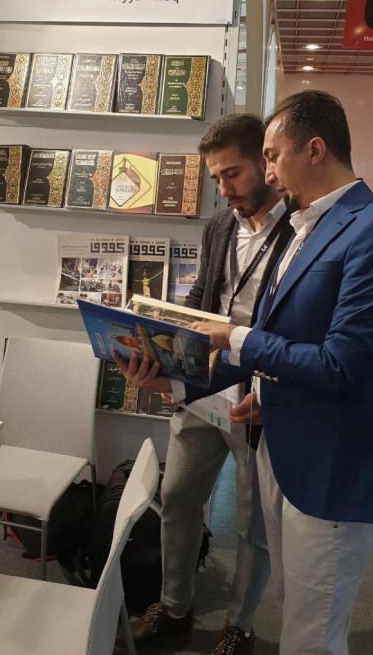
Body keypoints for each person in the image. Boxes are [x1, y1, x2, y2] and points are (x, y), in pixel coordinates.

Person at [125, 90, 373, 655]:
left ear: (313, 150)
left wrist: (238, 342)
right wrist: (170, 372)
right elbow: (225, 308)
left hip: (317, 454)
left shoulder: (343, 227)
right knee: (292, 603)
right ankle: (176, 607)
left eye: (268, 157)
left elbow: (342, 361)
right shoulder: (297, 225)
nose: (266, 173)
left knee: (304, 616)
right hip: (253, 410)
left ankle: (239, 624)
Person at [115, 113, 292, 655]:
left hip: (258, 397)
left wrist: (277, 391)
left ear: (265, 161)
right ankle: (174, 609)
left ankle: (240, 625)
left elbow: (302, 328)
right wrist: (159, 358)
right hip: (205, 390)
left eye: (232, 173)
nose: (224, 188)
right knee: (177, 497)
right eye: (216, 177)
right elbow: (199, 302)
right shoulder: (219, 226)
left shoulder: (300, 229)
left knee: (252, 524)